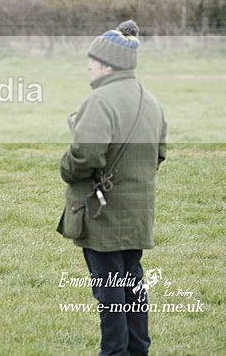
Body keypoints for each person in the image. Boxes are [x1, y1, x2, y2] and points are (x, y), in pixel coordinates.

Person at [58, 20, 167, 356]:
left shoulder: (99, 101)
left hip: (102, 215)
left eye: (93, 59)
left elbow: (86, 155)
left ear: (107, 64)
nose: (89, 65)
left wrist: (65, 165)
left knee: (109, 294)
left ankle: (115, 353)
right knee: (132, 285)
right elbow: (158, 155)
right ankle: (138, 350)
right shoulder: (152, 102)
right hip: (137, 214)